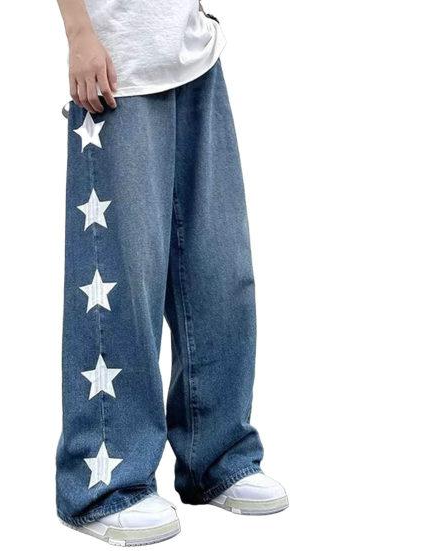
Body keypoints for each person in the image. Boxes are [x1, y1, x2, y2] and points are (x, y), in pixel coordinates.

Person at [55, 0, 288, 545]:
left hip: (195, 56)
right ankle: (105, 484)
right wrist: (79, 33)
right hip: (115, 71)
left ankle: (218, 456)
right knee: (120, 283)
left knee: (220, 272)